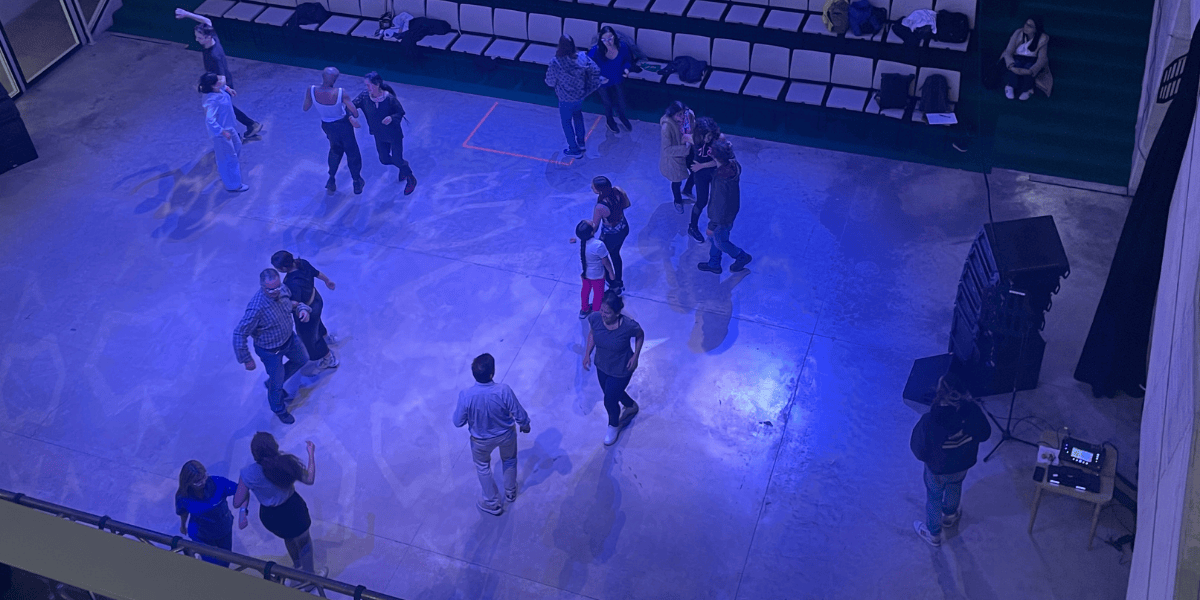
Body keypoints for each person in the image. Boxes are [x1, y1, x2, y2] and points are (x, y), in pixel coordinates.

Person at [909, 374, 993, 547]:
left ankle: (934, 534)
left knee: (934, 497)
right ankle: (950, 516)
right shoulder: (972, 412)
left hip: (937, 469)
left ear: (939, 392)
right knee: (955, 487)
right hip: (962, 464)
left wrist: (929, 460)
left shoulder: (930, 420)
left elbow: (918, 449)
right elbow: (985, 434)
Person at [234, 433, 325, 580]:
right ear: (274, 447)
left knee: (288, 538)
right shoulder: (287, 463)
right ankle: (310, 576)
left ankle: (297, 567)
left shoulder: (247, 473)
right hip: (293, 510)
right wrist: (311, 454)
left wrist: (245, 505)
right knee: (304, 541)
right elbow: (309, 479)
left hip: (271, 518)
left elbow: (237, 501)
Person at [452, 353, 532, 516]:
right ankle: (510, 492)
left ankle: (492, 503)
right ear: (492, 373)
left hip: (480, 441)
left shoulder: (466, 395)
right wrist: (524, 424)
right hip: (506, 436)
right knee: (509, 460)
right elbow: (519, 413)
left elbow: (457, 422)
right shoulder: (503, 390)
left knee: (482, 467)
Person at [233, 268, 312, 424]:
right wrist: (246, 358)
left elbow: (292, 304)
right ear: (262, 287)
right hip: (270, 351)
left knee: (303, 359)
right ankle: (279, 409)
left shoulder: (282, 289)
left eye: (277, 286)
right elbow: (239, 334)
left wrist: (303, 309)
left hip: (289, 339)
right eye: (271, 289)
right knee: (277, 385)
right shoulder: (256, 309)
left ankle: (273, 381)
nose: (276, 291)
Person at [175, 9, 263, 139]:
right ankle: (249, 126)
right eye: (196, 36)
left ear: (208, 37)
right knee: (227, 109)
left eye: (200, 38)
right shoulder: (213, 37)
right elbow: (206, 21)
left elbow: (221, 79)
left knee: (223, 112)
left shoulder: (215, 56)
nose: (197, 40)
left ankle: (243, 129)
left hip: (220, 85)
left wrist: (207, 89)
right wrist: (186, 14)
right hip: (217, 82)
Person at [583, 291, 644, 446]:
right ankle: (630, 405)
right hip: (602, 366)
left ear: (617, 313)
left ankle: (613, 426)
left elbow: (640, 335)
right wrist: (587, 354)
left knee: (609, 401)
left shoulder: (628, 326)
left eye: (608, 312)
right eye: (602, 310)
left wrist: (635, 356)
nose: (603, 314)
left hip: (621, 370)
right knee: (610, 392)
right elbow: (592, 333)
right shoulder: (595, 318)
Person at [303, 67, 365, 195]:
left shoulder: (311, 90)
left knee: (335, 150)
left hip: (327, 126)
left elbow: (306, 108)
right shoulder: (340, 93)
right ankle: (356, 181)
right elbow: (355, 113)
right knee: (352, 152)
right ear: (335, 79)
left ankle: (331, 179)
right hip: (343, 126)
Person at [271, 251, 338, 370]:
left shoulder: (291, 283)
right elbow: (317, 273)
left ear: (284, 268)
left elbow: (294, 304)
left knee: (310, 339)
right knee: (317, 323)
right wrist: (327, 281)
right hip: (316, 300)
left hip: (307, 311)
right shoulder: (302, 263)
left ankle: (329, 358)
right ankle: (326, 338)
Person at [353, 72, 417, 195]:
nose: (367, 88)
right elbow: (352, 105)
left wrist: (392, 118)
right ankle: (403, 166)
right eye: (366, 85)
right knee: (384, 159)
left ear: (377, 84)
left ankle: (411, 178)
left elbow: (400, 112)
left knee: (397, 158)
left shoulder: (389, 99)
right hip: (379, 134)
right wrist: (351, 116)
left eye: (369, 85)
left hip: (393, 134)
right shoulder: (364, 97)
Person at [698, 140, 752, 274]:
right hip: (730, 212)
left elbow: (718, 204)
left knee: (720, 241)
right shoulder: (733, 166)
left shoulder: (721, 179)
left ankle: (741, 256)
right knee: (715, 239)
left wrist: (712, 225)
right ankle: (714, 264)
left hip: (722, 218)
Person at [545, 34, 602, 159]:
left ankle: (574, 149)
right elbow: (595, 70)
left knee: (566, 122)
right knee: (578, 116)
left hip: (565, 99)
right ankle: (581, 143)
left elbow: (549, 81)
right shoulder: (582, 57)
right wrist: (591, 85)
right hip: (580, 96)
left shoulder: (556, 62)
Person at [175, 460, 238, 567]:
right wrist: (183, 526)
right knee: (213, 565)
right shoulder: (183, 497)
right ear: (188, 483)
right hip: (201, 536)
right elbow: (183, 512)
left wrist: (242, 509)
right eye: (198, 481)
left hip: (224, 529)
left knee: (226, 560)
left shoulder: (218, 483)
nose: (203, 482)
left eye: (204, 477)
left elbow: (240, 490)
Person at [197, 73, 248, 193]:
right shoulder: (211, 101)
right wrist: (222, 132)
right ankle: (233, 185)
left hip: (229, 127)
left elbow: (222, 83)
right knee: (228, 158)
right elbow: (210, 120)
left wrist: (228, 89)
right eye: (217, 82)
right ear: (212, 86)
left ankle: (226, 175)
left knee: (237, 146)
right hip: (222, 132)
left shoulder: (217, 89)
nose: (220, 81)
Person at [685, 117, 727, 243]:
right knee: (701, 201)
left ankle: (715, 226)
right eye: (705, 135)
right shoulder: (693, 138)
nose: (707, 139)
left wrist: (701, 166)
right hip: (700, 174)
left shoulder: (719, 139)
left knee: (717, 200)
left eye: (709, 135)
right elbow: (683, 139)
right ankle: (692, 227)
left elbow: (719, 161)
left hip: (714, 172)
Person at [588, 176, 631, 296]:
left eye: (593, 187)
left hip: (610, 235)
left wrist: (586, 231)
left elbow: (595, 226)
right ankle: (619, 280)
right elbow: (627, 204)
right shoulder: (618, 190)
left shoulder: (600, 207)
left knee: (603, 259)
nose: (591, 187)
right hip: (623, 228)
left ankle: (613, 284)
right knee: (616, 255)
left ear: (599, 190)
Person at [587, 26, 634, 133]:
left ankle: (622, 116)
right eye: (604, 40)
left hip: (617, 78)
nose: (608, 42)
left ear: (614, 36)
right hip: (602, 80)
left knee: (621, 100)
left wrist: (626, 69)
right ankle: (609, 120)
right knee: (607, 102)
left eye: (610, 38)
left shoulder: (623, 47)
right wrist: (597, 77)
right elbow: (587, 66)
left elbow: (627, 60)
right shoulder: (596, 50)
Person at [1000, 16, 1052, 101]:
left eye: (1030, 26)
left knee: (1029, 67)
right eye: (1026, 24)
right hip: (1017, 56)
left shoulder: (1043, 38)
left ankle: (1027, 89)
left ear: (1036, 29)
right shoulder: (1018, 33)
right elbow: (1009, 51)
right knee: (1017, 64)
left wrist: (1032, 70)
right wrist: (1011, 66)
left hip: (1031, 59)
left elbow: (1042, 58)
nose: (1026, 27)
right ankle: (1010, 85)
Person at [659, 101, 694, 213]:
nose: (682, 116)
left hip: (689, 149)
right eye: (679, 114)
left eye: (683, 113)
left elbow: (693, 126)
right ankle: (678, 201)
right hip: (676, 157)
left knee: (695, 170)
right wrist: (685, 148)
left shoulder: (688, 117)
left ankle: (687, 190)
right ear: (672, 115)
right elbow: (667, 149)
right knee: (676, 181)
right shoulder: (666, 128)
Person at [577, 220, 616, 319]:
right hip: (597, 275)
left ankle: (584, 309)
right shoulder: (598, 245)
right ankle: (596, 311)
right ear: (591, 232)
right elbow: (606, 261)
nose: (592, 221)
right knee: (598, 294)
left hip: (586, 274)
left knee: (585, 291)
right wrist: (611, 274)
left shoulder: (583, 243)